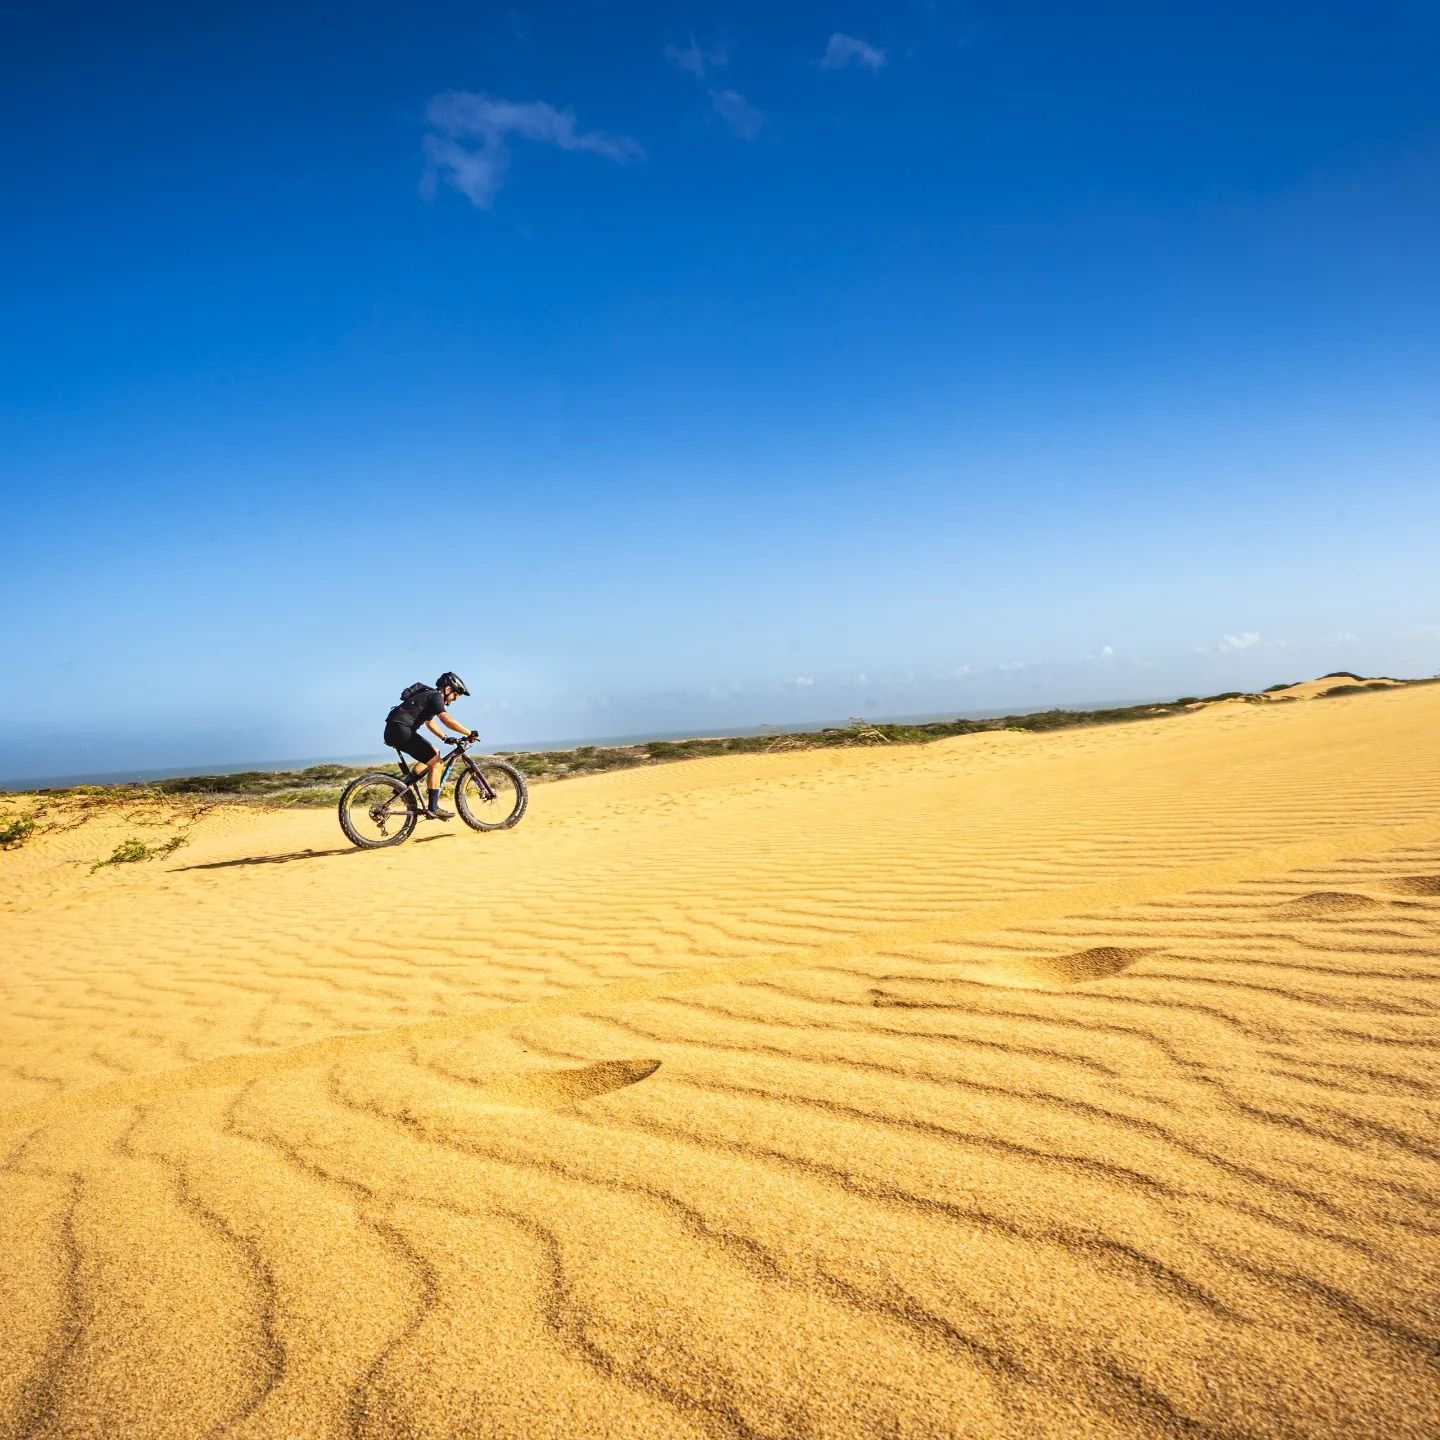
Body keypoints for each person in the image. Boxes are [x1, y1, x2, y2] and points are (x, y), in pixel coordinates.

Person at [383, 671, 476, 820]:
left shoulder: (429, 696)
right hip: (401, 729)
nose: (453, 700)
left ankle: (403, 786)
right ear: (447, 689)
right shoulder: (436, 696)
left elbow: (429, 722)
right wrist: (469, 732)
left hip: (395, 729)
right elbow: (446, 719)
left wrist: (444, 737)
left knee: (435, 752)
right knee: (437, 763)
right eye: (455, 695)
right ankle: (433, 808)